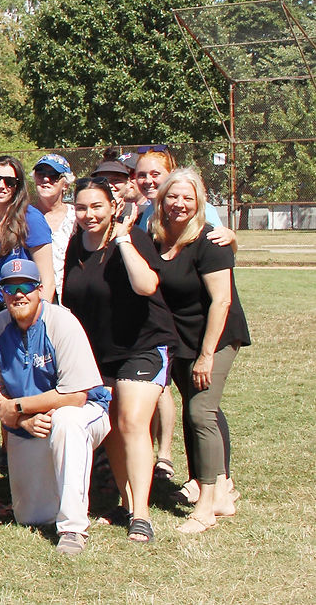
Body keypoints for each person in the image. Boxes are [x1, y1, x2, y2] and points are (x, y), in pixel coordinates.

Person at [62, 177, 178, 542]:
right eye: (81, 207)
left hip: (143, 345)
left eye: (96, 206)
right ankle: (126, 503)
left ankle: (141, 516)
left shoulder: (133, 238)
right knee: (110, 424)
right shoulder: (75, 244)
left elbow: (146, 286)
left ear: (113, 206)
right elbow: (71, 299)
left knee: (130, 421)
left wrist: (124, 239)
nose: (88, 214)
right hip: (101, 353)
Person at [0, 258, 110, 555]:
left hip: (87, 412)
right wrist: (21, 420)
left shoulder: (62, 321)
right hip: (28, 424)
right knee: (30, 516)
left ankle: (73, 528)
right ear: (1, 293)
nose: (19, 294)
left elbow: (77, 396)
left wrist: (20, 407)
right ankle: (57, 497)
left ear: (40, 289)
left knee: (67, 421)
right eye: (10, 288)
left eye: (26, 286)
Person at [149, 168, 251, 535]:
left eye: (187, 198)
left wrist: (207, 355)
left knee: (200, 410)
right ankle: (217, 490)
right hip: (180, 340)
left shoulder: (210, 240)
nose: (179, 204)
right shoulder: (156, 236)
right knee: (199, 407)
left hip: (216, 337)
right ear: (161, 200)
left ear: (199, 202)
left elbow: (221, 302)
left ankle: (207, 506)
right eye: (172, 197)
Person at [0, 156, 56, 323]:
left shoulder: (32, 219)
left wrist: (38, 323)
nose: (0, 186)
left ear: (18, 186)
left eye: (9, 182)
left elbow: (48, 281)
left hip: (25, 308)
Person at [32, 154, 75, 301]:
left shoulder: (77, 217)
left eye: (54, 175)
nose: (46, 179)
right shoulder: (24, 216)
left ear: (66, 184)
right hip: (34, 296)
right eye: (40, 174)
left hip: (70, 295)